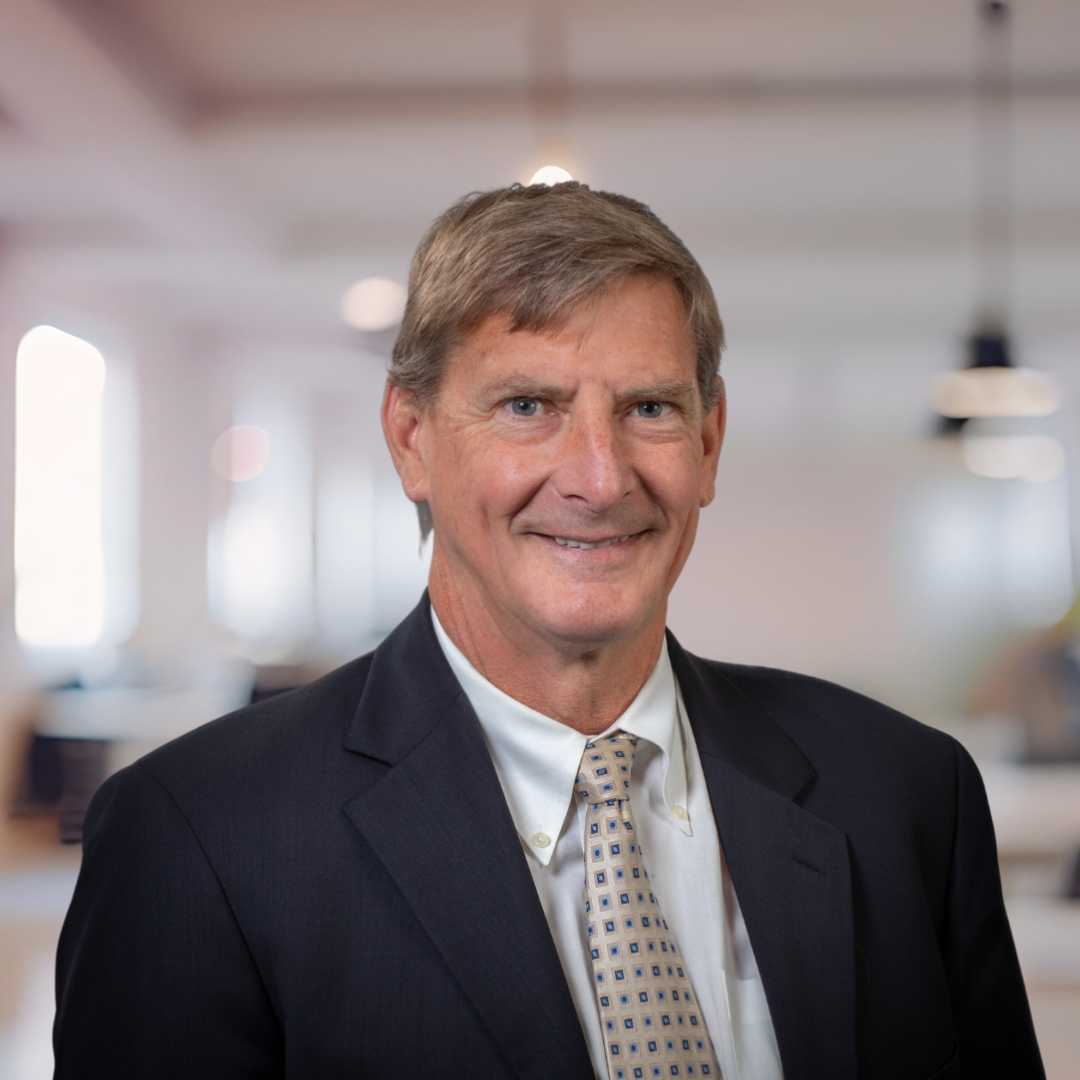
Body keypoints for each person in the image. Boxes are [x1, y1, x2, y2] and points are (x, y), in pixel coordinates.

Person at [54, 183, 1043, 1079]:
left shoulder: (907, 794)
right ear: (411, 439)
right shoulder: (198, 837)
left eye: (649, 408)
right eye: (529, 406)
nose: (601, 478)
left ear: (708, 442)